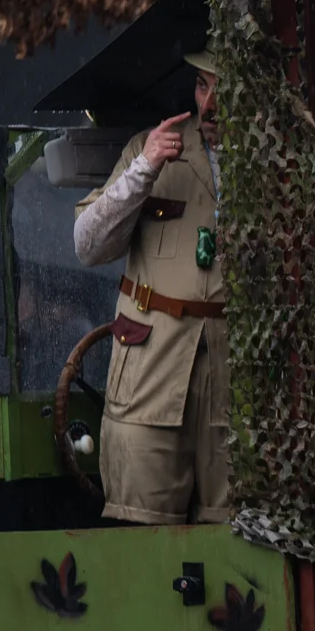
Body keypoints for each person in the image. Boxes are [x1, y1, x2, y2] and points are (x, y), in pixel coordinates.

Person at [73, 52, 229, 525]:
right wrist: (144, 168)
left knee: (235, 530)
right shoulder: (151, 146)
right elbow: (87, 245)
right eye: (201, 85)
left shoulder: (274, 157)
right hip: (150, 365)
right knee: (141, 524)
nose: (209, 105)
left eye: (225, 89)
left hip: (235, 370)